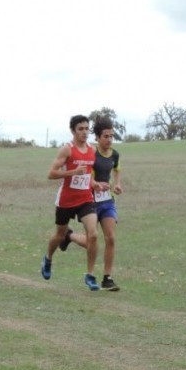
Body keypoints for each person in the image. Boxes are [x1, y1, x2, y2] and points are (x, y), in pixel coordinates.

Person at [59, 117, 123, 291]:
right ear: (97, 137)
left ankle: (107, 278)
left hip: (107, 201)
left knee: (111, 238)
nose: (109, 140)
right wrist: (94, 183)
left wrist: (117, 184)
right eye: (106, 136)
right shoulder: (91, 153)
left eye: (112, 136)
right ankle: (69, 236)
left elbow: (116, 170)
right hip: (89, 200)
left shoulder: (115, 154)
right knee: (91, 241)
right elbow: (85, 174)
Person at [41, 115, 101, 291]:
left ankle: (90, 275)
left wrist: (94, 184)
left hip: (85, 198)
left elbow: (88, 174)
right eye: (80, 129)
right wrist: (72, 172)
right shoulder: (67, 150)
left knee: (94, 235)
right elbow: (51, 173)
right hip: (66, 200)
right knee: (58, 235)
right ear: (73, 131)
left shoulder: (92, 150)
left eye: (86, 128)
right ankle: (48, 259)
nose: (84, 132)